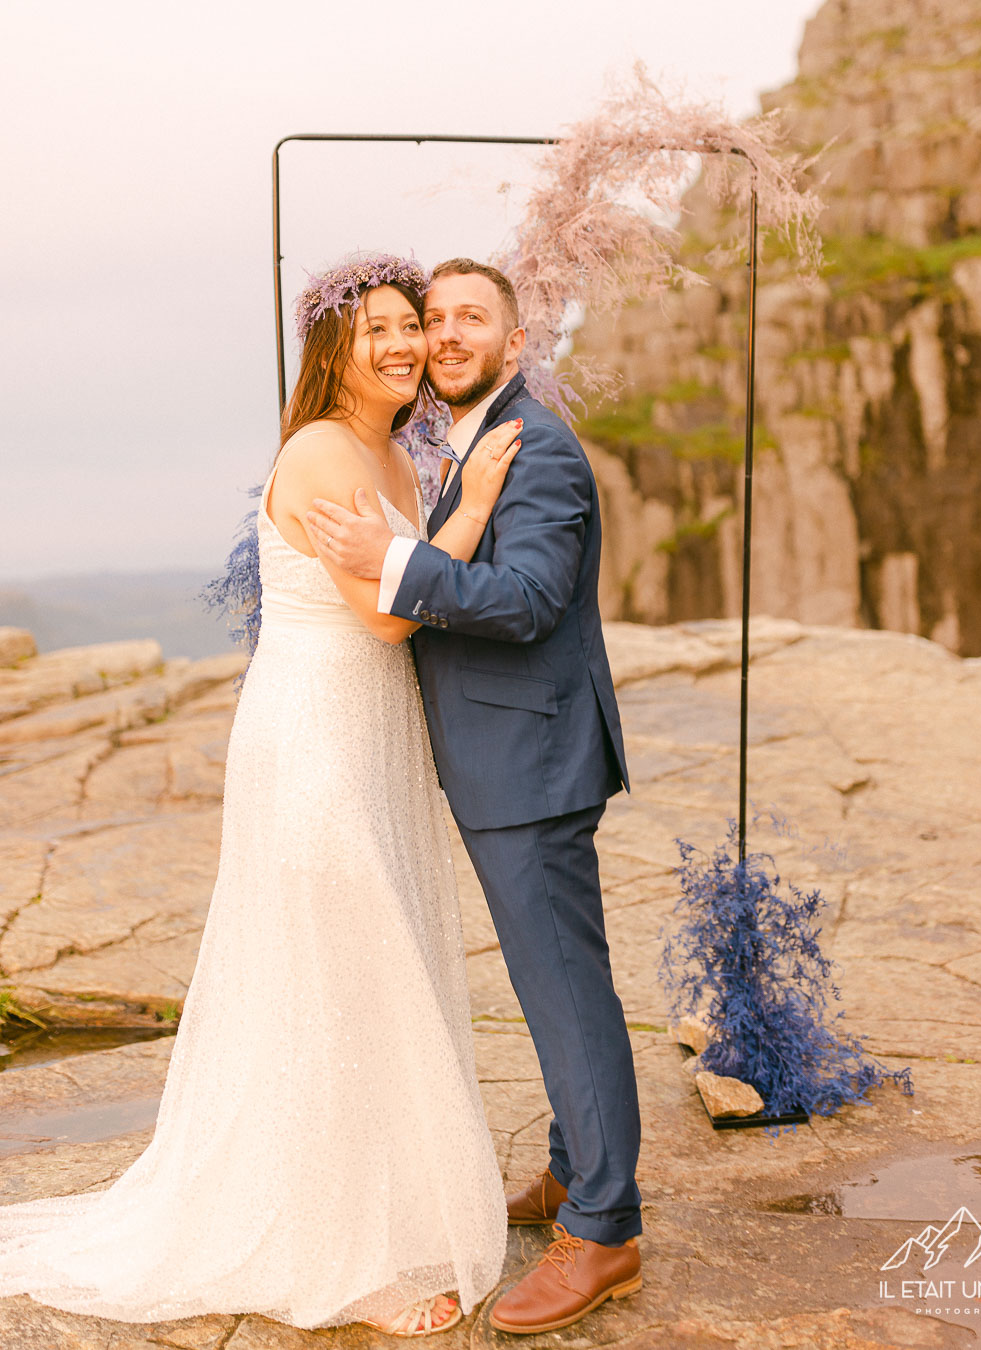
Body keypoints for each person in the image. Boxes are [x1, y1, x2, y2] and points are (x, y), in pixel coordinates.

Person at [0, 253, 523, 1338]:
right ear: (331, 347)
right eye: (376, 329)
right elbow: (386, 615)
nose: (403, 347)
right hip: (316, 740)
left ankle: (367, 1215)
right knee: (344, 967)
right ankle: (343, 1262)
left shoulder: (389, 449)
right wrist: (471, 505)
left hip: (369, 732)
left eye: (411, 329)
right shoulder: (329, 451)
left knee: (358, 972)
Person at [307, 258, 643, 1337]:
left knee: (565, 993)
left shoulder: (534, 447)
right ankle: (570, 1172)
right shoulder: (472, 438)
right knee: (553, 985)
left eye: (466, 319)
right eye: (431, 320)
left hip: (532, 767)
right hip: (505, 759)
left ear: (515, 334)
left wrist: (394, 564)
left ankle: (603, 1231)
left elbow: (531, 598)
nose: (443, 337)